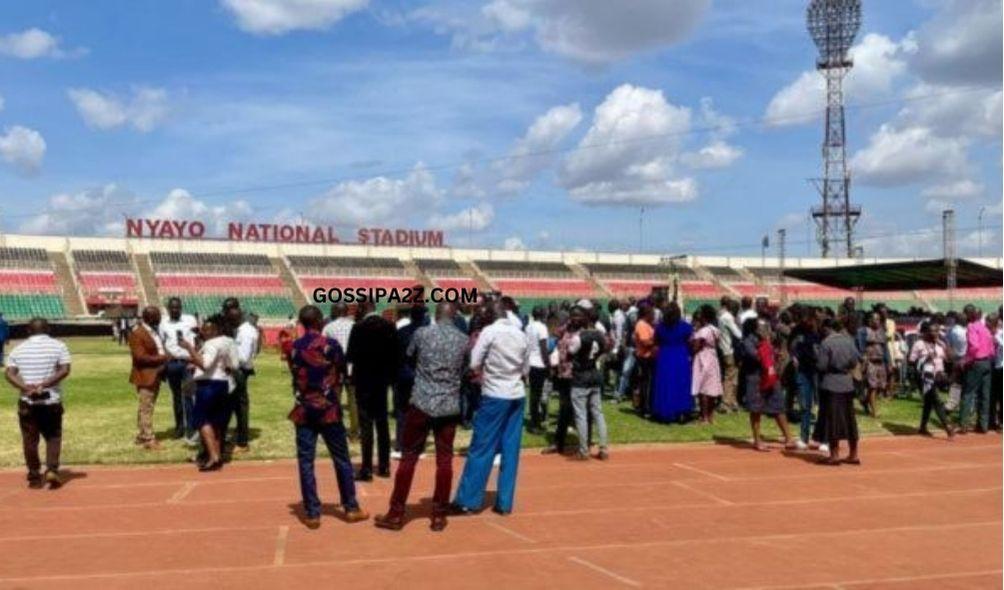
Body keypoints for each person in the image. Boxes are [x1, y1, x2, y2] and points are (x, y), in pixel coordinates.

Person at [375, 302, 468, 532]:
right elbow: (465, 369)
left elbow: (409, 358)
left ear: (435, 315)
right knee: (444, 460)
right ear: (454, 316)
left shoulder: (421, 333)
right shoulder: (463, 340)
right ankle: (439, 515)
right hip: (448, 405)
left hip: (422, 402)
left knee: (409, 458)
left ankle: (396, 513)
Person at [286, 305, 368, 529]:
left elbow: (295, 373)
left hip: (304, 410)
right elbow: (341, 372)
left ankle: (312, 513)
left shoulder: (294, 347)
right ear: (319, 321)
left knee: (306, 461)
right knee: (341, 459)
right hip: (329, 409)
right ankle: (351, 507)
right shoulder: (331, 346)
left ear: (302, 323)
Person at [452, 302, 530, 515]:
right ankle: (504, 503)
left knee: (482, 447)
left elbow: (475, 361)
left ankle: (468, 500)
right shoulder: (520, 333)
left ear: (491, 316)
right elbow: (525, 368)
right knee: (510, 449)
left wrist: (485, 370)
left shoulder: (490, 331)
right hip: (517, 393)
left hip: (495, 393)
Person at [4, 318, 71, 489]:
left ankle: (34, 476)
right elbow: (64, 370)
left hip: (28, 401)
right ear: (48, 329)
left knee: (30, 439)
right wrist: (45, 384)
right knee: (53, 436)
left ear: (28, 331)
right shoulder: (59, 346)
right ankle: (51, 470)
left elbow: (9, 374)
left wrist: (26, 387)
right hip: (51, 399)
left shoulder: (18, 349)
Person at [346, 300, 399, 480]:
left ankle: (367, 468)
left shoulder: (358, 327)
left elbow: (350, 355)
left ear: (362, 308)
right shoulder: (389, 326)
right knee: (382, 423)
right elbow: (395, 355)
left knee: (366, 424)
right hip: (382, 381)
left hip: (364, 381)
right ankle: (384, 466)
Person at [180, 315, 238, 472]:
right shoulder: (228, 341)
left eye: (206, 329)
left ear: (215, 330)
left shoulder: (211, 343)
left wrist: (189, 348)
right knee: (217, 422)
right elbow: (234, 364)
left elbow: (205, 364)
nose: (203, 332)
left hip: (208, 385)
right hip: (223, 383)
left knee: (202, 420)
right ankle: (217, 455)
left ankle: (213, 457)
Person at [740, 319, 795, 451]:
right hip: (755, 378)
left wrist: (774, 353)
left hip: (770, 376)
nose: (764, 328)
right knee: (756, 409)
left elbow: (768, 354)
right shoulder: (748, 341)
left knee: (778, 405)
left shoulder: (765, 339)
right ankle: (757, 441)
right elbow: (756, 357)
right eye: (760, 326)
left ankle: (789, 438)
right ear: (754, 328)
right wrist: (767, 351)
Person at [816, 318, 861, 465]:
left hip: (831, 383)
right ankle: (853, 454)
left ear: (827, 328)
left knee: (832, 420)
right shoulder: (849, 341)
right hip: (847, 383)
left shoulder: (826, 343)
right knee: (849, 419)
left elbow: (822, 366)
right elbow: (855, 361)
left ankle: (834, 455)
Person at [568, 305, 609, 460]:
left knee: (581, 415)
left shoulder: (579, 337)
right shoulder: (600, 335)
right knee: (598, 413)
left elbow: (570, 353)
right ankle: (603, 448)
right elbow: (604, 349)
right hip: (595, 374)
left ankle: (584, 450)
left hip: (580, 377)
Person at [128, 306, 170, 450]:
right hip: (145, 374)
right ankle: (148, 438)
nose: (160, 318)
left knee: (145, 406)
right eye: (158, 316)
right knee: (146, 407)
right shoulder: (138, 333)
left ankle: (141, 435)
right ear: (150, 317)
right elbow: (140, 357)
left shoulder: (153, 331)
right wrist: (163, 358)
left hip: (155, 373)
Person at [159, 297, 198, 443]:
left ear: (181, 308)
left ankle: (191, 428)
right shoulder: (163, 323)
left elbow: (198, 340)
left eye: (177, 307)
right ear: (168, 308)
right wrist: (166, 355)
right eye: (172, 307)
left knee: (188, 396)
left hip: (187, 363)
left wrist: (195, 359)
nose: (175, 310)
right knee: (176, 397)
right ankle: (179, 427)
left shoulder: (190, 320)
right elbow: (161, 342)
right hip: (172, 365)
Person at [908, 321, 955, 439]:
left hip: (938, 377)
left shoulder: (940, 344)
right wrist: (924, 360)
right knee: (936, 400)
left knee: (929, 402)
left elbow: (950, 358)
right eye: (932, 331)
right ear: (926, 332)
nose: (934, 333)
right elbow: (911, 361)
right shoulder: (919, 344)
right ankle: (947, 426)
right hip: (924, 378)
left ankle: (922, 427)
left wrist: (945, 343)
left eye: (937, 331)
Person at [393, 304, 427, 458]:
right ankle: (418, 445)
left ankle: (400, 444)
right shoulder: (429, 333)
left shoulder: (401, 331)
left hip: (404, 375)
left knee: (402, 411)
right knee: (421, 411)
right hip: (422, 376)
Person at [322, 302, 360, 439]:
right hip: (353, 368)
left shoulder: (328, 328)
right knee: (354, 402)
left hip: (335, 369)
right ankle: (355, 433)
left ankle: (335, 430)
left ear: (336, 312)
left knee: (334, 400)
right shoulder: (355, 326)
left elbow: (324, 349)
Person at [225, 304, 259, 454]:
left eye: (231, 320)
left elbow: (243, 357)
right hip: (236, 370)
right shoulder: (241, 330)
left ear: (237, 317)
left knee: (240, 407)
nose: (230, 323)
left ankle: (243, 442)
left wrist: (225, 357)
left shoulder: (246, 332)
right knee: (234, 406)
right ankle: (238, 436)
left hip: (239, 371)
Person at [651, 302, 692, 423]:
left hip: (664, 356)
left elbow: (656, 341)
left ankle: (663, 412)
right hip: (680, 356)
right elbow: (689, 340)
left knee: (665, 384)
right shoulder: (685, 326)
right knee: (681, 384)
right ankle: (681, 412)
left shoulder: (660, 327)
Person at [789, 309, 822, 450]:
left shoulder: (820, 331)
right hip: (803, 371)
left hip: (817, 371)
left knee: (821, 405)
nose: (806, 321)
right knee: (805, 406)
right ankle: (804, 437)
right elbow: (790, 345)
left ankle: (822, 438)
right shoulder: (797, 331)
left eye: (809, 318)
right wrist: (793, 356)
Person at [960, 304, 995, 434]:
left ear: (968, 314)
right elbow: (992, 349)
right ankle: (983, 426)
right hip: (987, 362)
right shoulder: (985, 327)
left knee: (968, 393)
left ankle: (964, 424)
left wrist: (966, 360)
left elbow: (974, 346)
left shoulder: (971, 327)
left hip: (976, 362)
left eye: (965, 314)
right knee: (984, 395)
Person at [691, 305, 723, 424]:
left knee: (703, 389)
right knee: (712, 388)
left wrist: (692, 344)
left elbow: (697, 347)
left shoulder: (703, 331)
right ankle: (711, 416)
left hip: (703, 357)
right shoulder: (715, 329)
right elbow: (718, 343)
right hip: (712, 357)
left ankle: (704, 417)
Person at [525, 305, 550, 434]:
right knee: (538, 395)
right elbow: (543, 348)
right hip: (539, 363)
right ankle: (536, 423)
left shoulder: (528, 326)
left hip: (530, 362)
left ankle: (534, 420)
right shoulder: (542, 327)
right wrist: (548, 364)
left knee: (534, 395)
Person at [718, 298, 742, 413]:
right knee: (729, 377)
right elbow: (738, 334)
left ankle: (733, 401)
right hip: (730, 351)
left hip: (724, 349)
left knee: (733, 377)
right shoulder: (728, 318)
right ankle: (725, 403)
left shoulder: (721, 316)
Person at [633, 303, 657, 415]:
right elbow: (645, 342)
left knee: (647, 383)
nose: (654, 314)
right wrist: (657, 341)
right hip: (644, 357)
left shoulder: (648, 324)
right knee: (645, 384)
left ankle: (645, 405)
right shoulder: (641, 325)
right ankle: (644, 407)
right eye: (652, 312)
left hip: (648, 357)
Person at [862, 313, 887, 417]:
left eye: (878, 319)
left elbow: (885, 348)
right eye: (874, 319)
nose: (876, 321)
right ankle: (874, 412)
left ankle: (865, 401)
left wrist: (888, 362)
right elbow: (860, 346)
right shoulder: (864, 331)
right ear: (870, 320)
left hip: (881, 362)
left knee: (880, 386)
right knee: (872, 387)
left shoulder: (882, 332)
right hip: (870, 362)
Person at [991, 312, 1003, 432]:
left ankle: (1000, 421)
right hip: (997, 366)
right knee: (997, 396)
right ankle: (996, 421)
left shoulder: (998, 333)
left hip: (1001, 366)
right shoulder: (998, 331)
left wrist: (996, 336)